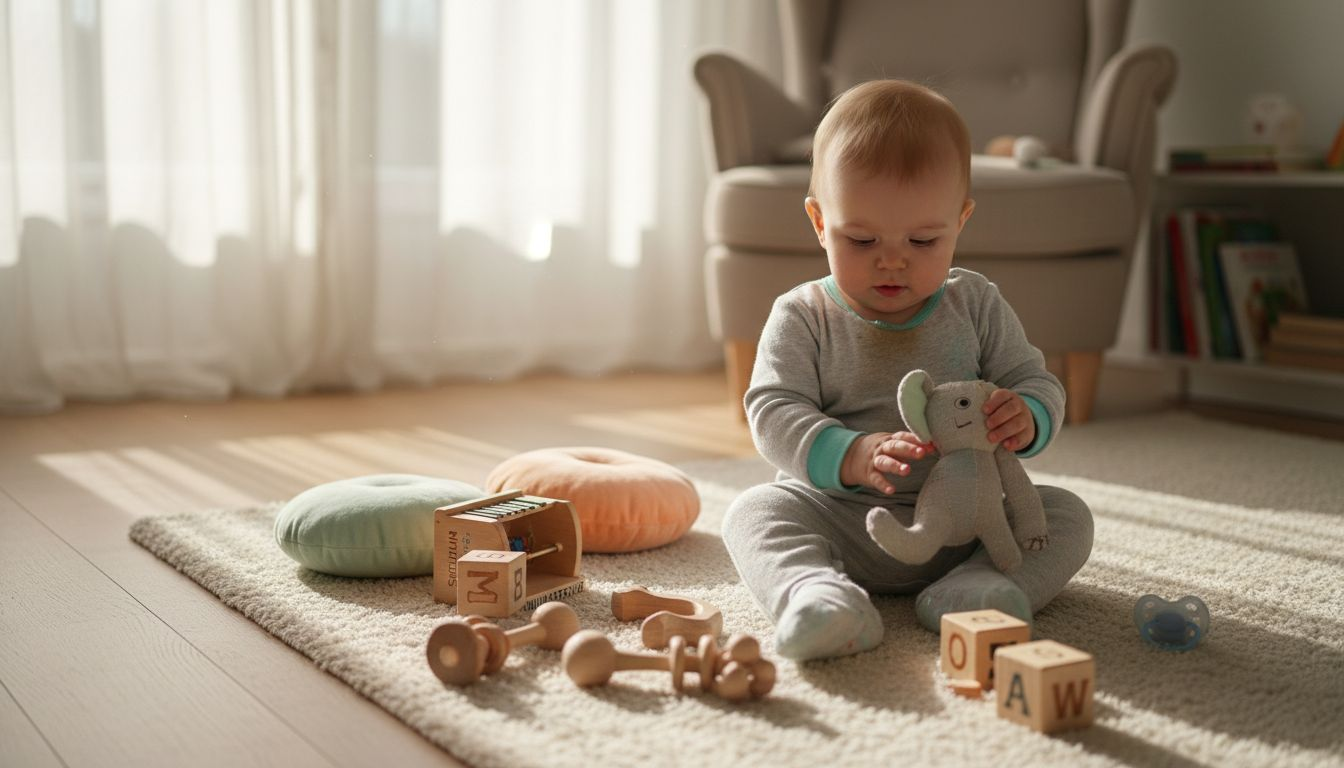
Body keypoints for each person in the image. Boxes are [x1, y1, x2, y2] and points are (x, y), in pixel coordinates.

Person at [721, 79, 1094, 661]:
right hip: (840, 516)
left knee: (1065, 514)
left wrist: (1028, 414)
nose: (892, 259)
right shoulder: (802, 314)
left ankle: (975, 590)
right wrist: (849, 453)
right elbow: (771, 410)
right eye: (861, 239)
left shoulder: (975, 303)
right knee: (753, 513)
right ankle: (819, 596)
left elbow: (1034, 379)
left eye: (923, 240)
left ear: (960, 222)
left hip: (969, 525)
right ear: (819, 222)